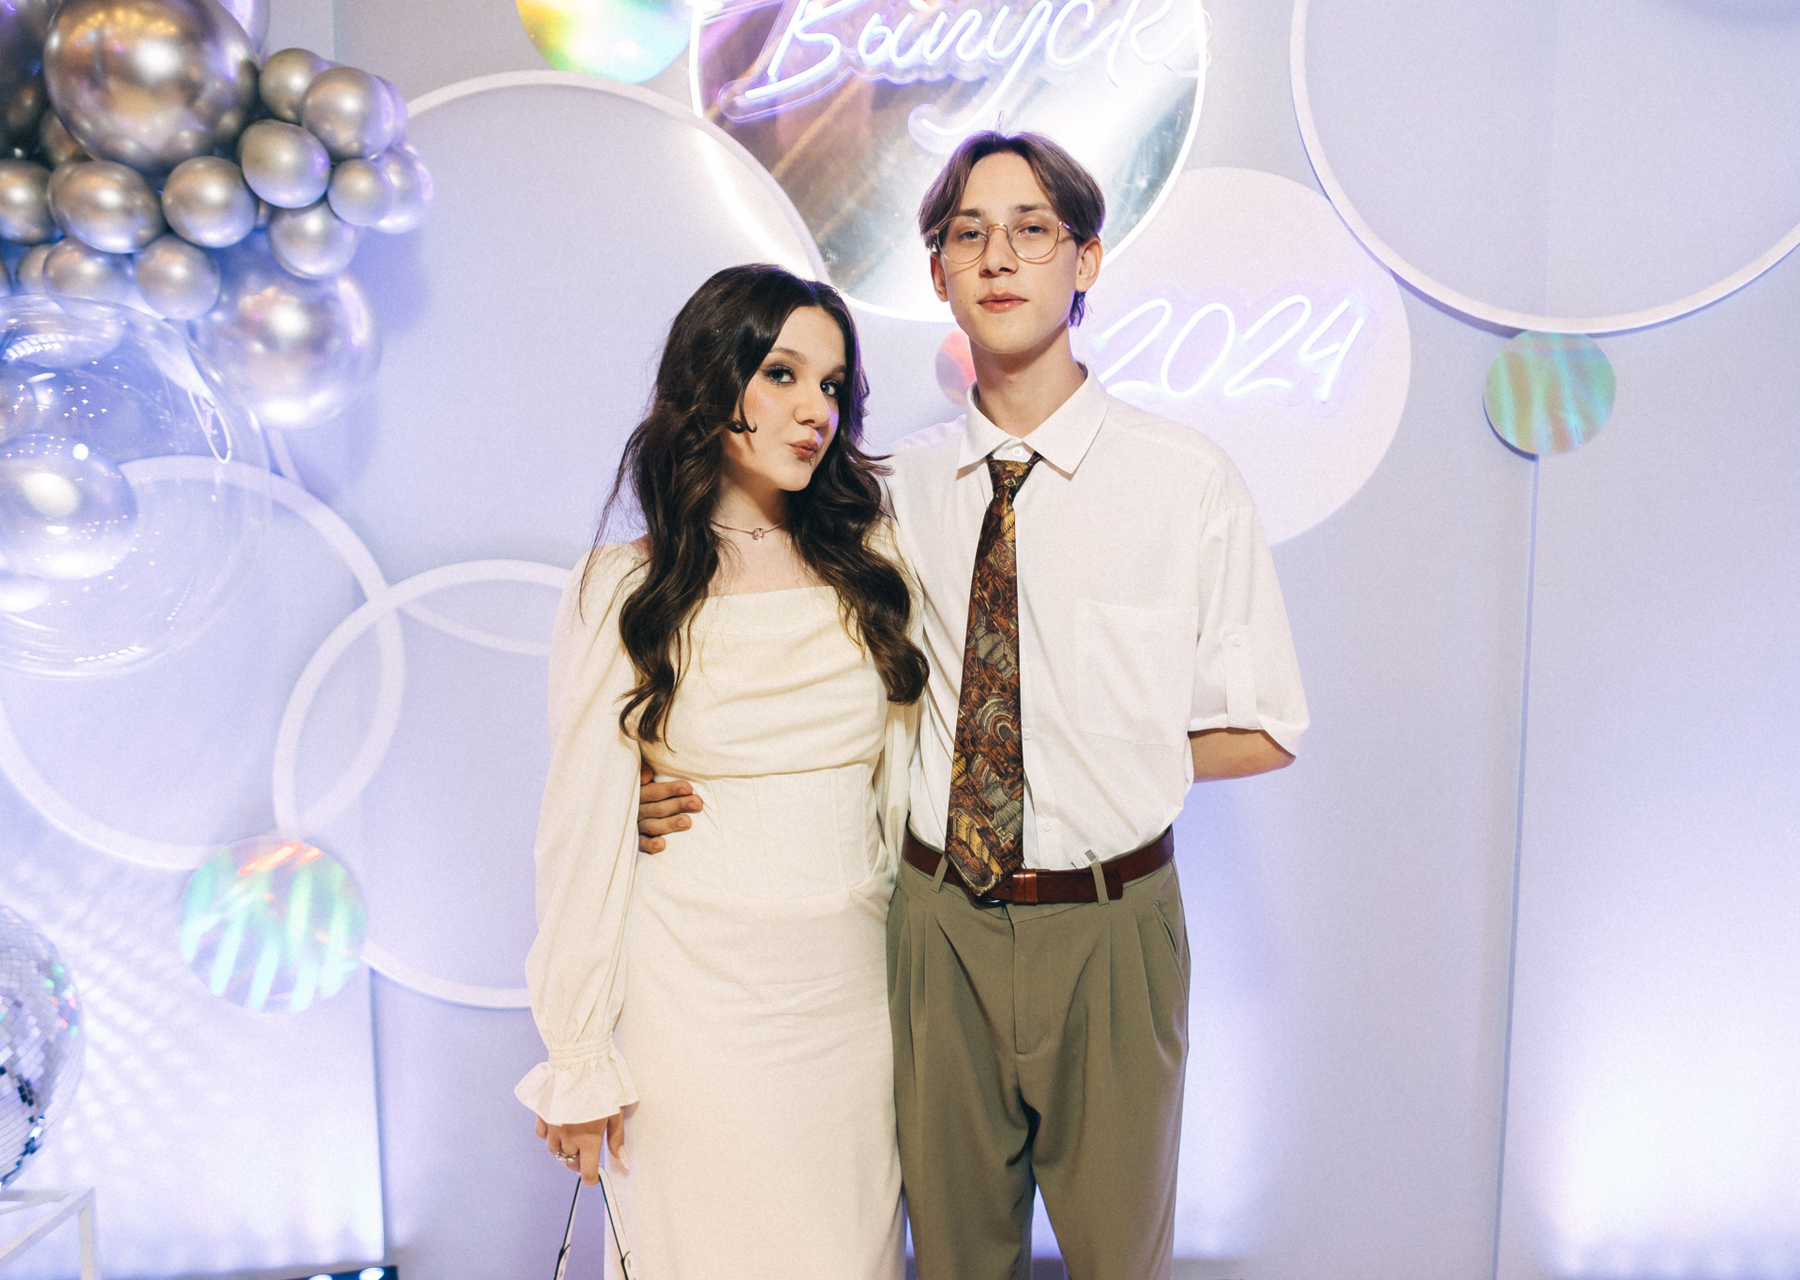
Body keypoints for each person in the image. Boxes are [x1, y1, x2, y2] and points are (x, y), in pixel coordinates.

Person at [641, 133, 1309, 1279]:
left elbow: (1265, 723)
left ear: (1086, 260)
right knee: (951, 1254)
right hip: (935, 917)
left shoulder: (1184, 480)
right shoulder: (891, 491)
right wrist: (652, 774)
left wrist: (1098, 742)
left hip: (1110, 922)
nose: (999, 257)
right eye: (968, 233)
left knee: (1120, 1257)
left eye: (1032, 229)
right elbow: (765, 630)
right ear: (939, 273)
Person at [517, 263, 928, 1280]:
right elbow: (578, 832)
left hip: (850, 999)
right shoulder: (623, 585)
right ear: (711, 380)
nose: (814, 410)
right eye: (781, 374)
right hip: (688, 1006)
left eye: (831, 385)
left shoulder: (879, 560)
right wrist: (578, 1053)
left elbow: (909, 783)